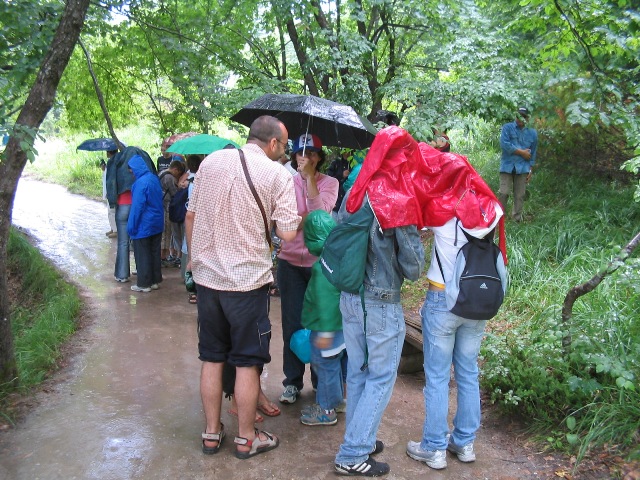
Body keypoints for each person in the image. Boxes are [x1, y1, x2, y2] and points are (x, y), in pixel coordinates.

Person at [185, 115, 299, 459]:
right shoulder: (278, 175)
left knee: (212, 357)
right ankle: (247, 438)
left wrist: (194, 258)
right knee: (248, 362)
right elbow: (288, 234)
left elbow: (190, 215)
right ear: (274, 144)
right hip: (247, 284)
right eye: (285, 145)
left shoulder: (212, 162)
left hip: (207, 281)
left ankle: (210, 433)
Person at [334, 190, 425, 477]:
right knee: (381, 377)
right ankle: (352, 454)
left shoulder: (355, 191)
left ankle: (361, 439)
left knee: (359, 373)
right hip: (380, 302)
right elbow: (413, 268)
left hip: (350, 297)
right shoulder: (399, 200)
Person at [406, 202, 503, 470]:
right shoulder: (491, 211)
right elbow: (496, 210)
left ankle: (434, 447)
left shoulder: (442, 213)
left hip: (442, 300)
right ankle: (464, 442)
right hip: (476, 300)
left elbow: (417, 218)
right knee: (468, 373)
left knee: (437, 377)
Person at [277, 133, 339, 405]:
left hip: (318, 267)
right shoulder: (285, 183)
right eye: (303, 153)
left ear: (320, 157)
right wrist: (302, 222)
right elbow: (282, 223)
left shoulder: (331, 183)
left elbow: (320, 216)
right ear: (294, 156)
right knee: (291, 323)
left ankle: (318, 381)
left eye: (313, 153)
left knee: (318, 323)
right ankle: (291, 382)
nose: (307, 158)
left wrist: (311, 179)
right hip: (289, 262)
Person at [298, 210, 345, 426]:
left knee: (324, 365)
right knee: (338, 363)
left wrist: (323, 333)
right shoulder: (338, 259)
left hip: (327, 328)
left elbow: (325, 303)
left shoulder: (321, 268)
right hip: (342, 328)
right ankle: (340, 399)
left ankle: (326, 409)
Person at [106, 146, 157, 283]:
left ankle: (122, 275)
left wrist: (113, 202)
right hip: (138, 207)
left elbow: (110, 184)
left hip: (122, 205)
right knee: (139, 241)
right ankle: (142, 274)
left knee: (123, 242)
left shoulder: (116, 160)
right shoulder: (144, 160)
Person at [127, 155, 164, 293]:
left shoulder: (140, 183)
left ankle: (143, 284)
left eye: (130, 170)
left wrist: (131, 227)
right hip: (157, 223)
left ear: (135, 168)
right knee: (154, 253)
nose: (131, 172)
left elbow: (137, 207)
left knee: (142, 254)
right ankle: (154, 281)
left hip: (144, 225)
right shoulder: (154, 178)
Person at [498, 106, 538, 222]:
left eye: (523, 116)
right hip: (507, 166)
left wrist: (530, 169)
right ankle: (500, 218)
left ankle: (516, 219)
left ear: (528, 118)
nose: (520, 119)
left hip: (523, 167)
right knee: (503, 192)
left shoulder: (533, 133)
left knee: (520, 195)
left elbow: (533, 153)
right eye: (518, 116)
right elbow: (505, 144)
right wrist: (521, 152)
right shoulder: (507, 128)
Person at [159, 160, 186, 266]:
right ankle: (163, 257)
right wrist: (180, 187)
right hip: (166, 206)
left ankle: (164, 256)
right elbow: (174, 192)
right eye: (178, 174)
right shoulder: (169, 177)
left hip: (161, 205)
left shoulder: (161, 173)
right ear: (175, 169)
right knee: (166, 233)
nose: (177, 176)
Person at [326, 149, 351, 218]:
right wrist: (341, 176)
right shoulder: (336, 163)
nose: (346, 153)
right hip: (336, 200)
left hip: (347, 201)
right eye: (344, 151)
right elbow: (329, 180)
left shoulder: (352, 165)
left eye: (348, 151)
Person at [101, 150, 118, 238]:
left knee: (112, 210)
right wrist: (104, 169)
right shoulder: (111, 162)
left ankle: (115, 230)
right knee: (109, 210)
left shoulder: (114, 162)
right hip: (109, 189)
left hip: (111, 190)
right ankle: (112, 228)